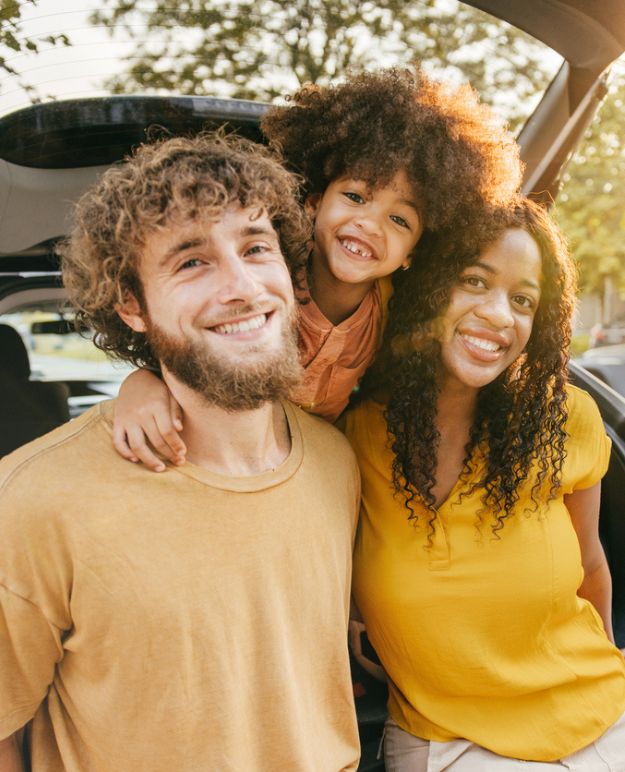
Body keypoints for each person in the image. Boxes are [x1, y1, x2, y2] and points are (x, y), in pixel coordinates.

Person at [0, 134, 362, 771]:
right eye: (192, 262)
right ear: (132, 307)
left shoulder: (339, 463)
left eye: (256, 248)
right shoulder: (34, 499)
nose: (244, 287)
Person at [110, 67, 522, 468]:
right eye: (356, 197)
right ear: (314, 202)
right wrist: (138, 387)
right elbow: (184, 354)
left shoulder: (396, 316)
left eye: (400, 220)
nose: (369, 224)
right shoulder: (264, 285)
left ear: (413, 252)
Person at [345, 197, 625, 769]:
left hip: (597, 716)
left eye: (523, 299)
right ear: (426, 286)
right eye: (475, 280)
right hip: (448, 740)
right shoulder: (354, 434)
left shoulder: (563, 418)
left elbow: (592, 569)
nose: (501, 315)